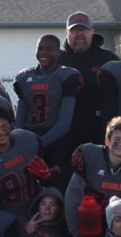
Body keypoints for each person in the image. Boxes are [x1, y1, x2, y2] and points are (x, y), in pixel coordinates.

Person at [63, 116, 121, 237]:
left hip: (118, 220)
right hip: (89, 219)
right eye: (117, 139)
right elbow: (72, 197)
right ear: (107, 141)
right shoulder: (90, 155)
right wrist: (76, 233)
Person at [12, 34, 80, 189]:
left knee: (56, 185)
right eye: (40, 48)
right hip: (30, 137)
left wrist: (38, 144)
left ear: (59, 53)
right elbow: (19, 120)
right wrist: (21, 141)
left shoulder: (67, 75)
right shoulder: (24, 77)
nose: (44, 52)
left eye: (50, 49)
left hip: (57, 140)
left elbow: (64, 123)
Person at [58, 11, 120, 147]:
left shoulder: (109, 59)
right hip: (65, 133)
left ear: (92, 32)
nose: (79, 34)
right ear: (66, 33)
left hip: (101, 130)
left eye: (84, 30)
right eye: (74, 30)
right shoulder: (58, 60)